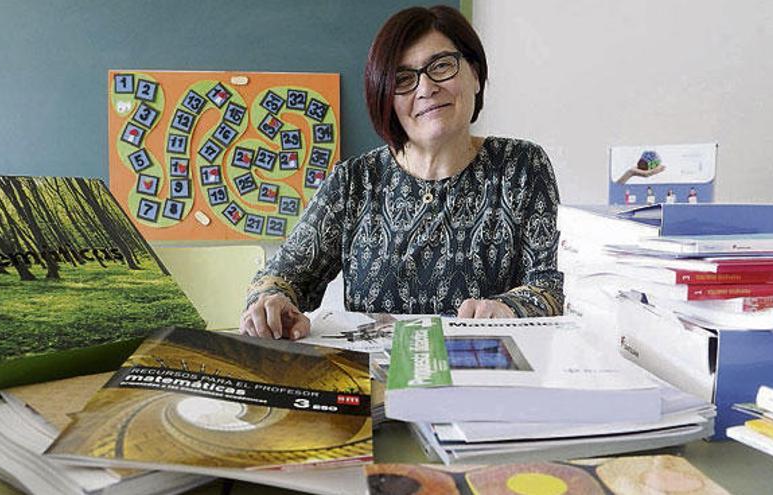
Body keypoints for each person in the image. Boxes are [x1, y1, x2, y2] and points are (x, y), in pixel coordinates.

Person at [240, 5, 564, 340]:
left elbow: (547, 291)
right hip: (373, 384)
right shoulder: (354, 181)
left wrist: (509, 308)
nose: (425, 88)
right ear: (386, 98)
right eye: (403, 79)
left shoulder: (522, 166)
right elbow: (280, 277)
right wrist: (270, 304)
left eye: (441, 66)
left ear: (476, 76)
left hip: (483, 374)